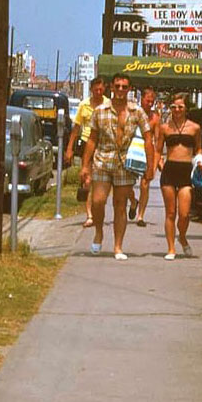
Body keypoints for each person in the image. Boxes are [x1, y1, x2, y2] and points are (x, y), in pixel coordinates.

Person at [79, 73, 154, 261]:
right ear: (111, 88)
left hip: (125, 163)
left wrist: (150, 166)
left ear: (129, 89)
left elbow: (148, 139)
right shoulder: (100, 110)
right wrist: (85, 166)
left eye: (124, 87)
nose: (120, 90)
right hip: (103, 160)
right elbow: (92, 139)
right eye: (117, 86)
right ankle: (98, 232)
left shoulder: (137, 112)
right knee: (97, 201)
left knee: (120, 206)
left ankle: (118, 246)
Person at [155, 92, 202, 260]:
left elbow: (198, 148)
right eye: (174, 107)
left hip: (186, 172)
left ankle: (182, 237)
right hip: (169, 171)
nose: (177, 110)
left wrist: (199, 160)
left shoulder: (195, 128)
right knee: (170, 212)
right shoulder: (164, 127)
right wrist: (158, 163)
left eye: (180, 107)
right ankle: (171, 248)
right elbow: (157, 149)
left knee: (184, 214)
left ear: (186, 108)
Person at [64, 76, 108, 228]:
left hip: (103, 145)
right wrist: (69, 149)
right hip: (86, 144)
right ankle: (89, 215)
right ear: (91, 90)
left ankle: (98, 209)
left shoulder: (108, 104)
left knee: (101, 181)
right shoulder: (84, 105)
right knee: (87, 180)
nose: (98, 92)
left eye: (101, 89)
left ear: (104, 89)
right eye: (95, 89)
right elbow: (76, 129)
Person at [127, 87, 161, 228]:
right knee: (127, 182)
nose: (149, 104)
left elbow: (158, 141)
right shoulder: (134, 113)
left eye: (152, 102)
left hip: (147, 151)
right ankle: (133, 201)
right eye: (148, 101)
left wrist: (156, 163)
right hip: (133, 148)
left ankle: (141, 215)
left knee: (145, 185)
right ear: (142, 99)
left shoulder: (155, 118)